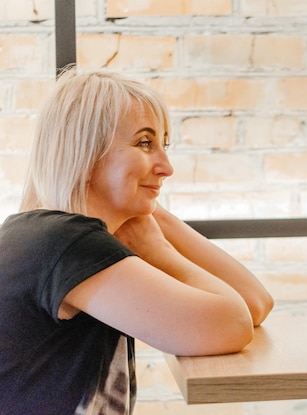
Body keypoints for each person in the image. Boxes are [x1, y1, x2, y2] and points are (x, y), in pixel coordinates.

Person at [0, 69, 274, 415]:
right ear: (85, 154)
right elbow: (232, 325)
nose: (166, 166)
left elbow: (254, 304)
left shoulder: (42, 233)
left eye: (164, 144)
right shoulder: (65, 242)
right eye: (145, 143)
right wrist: (158, 251)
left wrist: (155, 216)